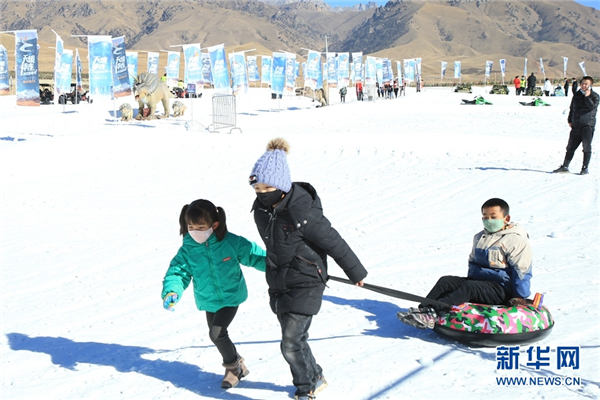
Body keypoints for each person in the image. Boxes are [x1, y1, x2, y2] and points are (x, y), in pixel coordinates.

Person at [249, 138, 368, 400]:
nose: (261, 193)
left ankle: (306, 389)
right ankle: (315, 375)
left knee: (290, 344)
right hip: (280, 281)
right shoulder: (261, 209)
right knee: (296, 339)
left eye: (267, 187)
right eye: (257, 188)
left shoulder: (303, 212)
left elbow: (333, 240)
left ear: (281, 186)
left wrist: (355, 272)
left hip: (306, 280)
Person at [161, 199, 266, 389]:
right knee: (216, 335)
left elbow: (254, 256)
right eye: (191, 227)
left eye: (201, 227)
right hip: (208, 299)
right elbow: (178, 272)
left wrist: (278, 266)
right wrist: (172, 291)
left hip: (230, 296)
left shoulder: (230, 242)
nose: (195, 231)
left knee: (217, 333)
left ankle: (233, 368)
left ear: (214, 225)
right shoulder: (187, 250)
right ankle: (237, 364)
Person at [397, 198, 532, 329]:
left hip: (502, 289)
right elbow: (473, 263)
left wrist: (519, 297)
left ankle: (433, 314)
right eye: (485, 217)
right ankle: (423, 311)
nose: (488, 220)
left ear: (506, 219)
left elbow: (522, 270)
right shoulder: (480, 237)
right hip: (481, 284)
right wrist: (464, 284)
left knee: (470, 287)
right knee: (446, 281)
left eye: (493, 216)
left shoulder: (515, 240)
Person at [553, 76, 599, 175]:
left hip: (587, 125)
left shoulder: (594, 96)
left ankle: (585, 168)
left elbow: (591, 107)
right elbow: (572, 108)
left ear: (590, 85)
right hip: (576, 124)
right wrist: (570, 119)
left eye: (586, 84)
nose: (583, 86)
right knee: (570, 147)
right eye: (582, 83)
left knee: (586, 147)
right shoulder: (577, 95)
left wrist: (587, 96)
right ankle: (565, 166)